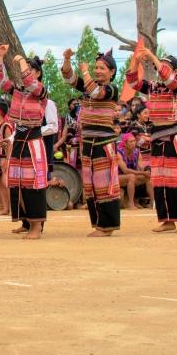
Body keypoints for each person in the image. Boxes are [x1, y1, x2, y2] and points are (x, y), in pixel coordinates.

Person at [125, 48, 177, 234]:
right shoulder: (154, 87)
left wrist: (154, 58)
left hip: (172, 136)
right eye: (160, 66)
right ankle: (167, 220)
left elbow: (168, 78)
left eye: (166, 66)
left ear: (176, 71)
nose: (160, 69)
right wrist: (136, 61)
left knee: (174, 180)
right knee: (159, 180)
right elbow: (132, 82)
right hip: (156, 136)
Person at [61, 48, 121, 236]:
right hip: (88, 142)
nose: (97, 70)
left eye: (102, 68)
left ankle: (108, 225)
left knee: (104, 183)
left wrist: (85, 71)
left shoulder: (111, 89)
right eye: (96, 67)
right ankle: (99, 224)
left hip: (104, 143)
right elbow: (69, 78)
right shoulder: (89, 86)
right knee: (91, 185)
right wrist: (67, 59)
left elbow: (96, 93)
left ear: (112, 72)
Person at [0, 48, 48, 240]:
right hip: (19, 139)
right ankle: (26, 222)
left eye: (30, 69)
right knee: (17, 183)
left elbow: (29, 82)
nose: (25, 73)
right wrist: (0, 56)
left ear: (38, 73)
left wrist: (21, 61)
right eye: (25, 69)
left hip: (33, 141)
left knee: (32, 184)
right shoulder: (17, 90)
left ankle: (36, 226)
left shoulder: (41, 91)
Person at [117, 133, 151, 209]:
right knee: (131, 177)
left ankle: (153, 203)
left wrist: (146, 171)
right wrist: (142, 172)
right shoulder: (119, 152)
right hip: (117, 178)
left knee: (148, 176)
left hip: (129, 176)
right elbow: (125, 171)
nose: (133, 143)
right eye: (130, 142)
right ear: (125, 143)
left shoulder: (137, 152)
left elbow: (141, 167)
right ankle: (131, 203)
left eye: (134, 141)